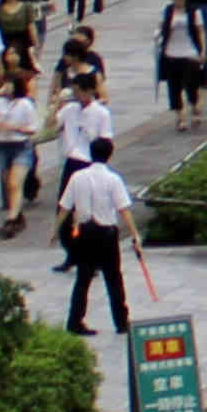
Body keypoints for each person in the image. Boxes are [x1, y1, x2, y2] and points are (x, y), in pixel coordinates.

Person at [58, 137, 140, 335]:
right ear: (109, 155)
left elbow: (64, 207)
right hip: (106, 233)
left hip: (85, 233)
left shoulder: (77, 177)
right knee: (113, 278)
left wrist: (55, 230)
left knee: (83, 279)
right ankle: (121, 322)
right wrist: (135, 234)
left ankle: (75, 321)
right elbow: (124, 209)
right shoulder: (113, 179)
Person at [0, 69, 45, 231]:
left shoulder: (25, 104)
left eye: (9, 84)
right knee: (7, 183)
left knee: (15, 182)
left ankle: (11, 218)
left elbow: (33, 129)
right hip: (2, 145)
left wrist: (14, 128)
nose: (6, 87)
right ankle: (17, 213)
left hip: (21, 145)